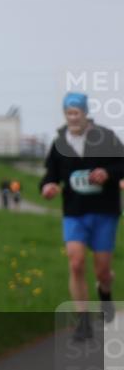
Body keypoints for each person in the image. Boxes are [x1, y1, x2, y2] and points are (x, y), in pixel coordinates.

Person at [40, 92, 124, 341]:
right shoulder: (59, 144)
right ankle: (83, 322)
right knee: (75, 263)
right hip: (74, 212)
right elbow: (50, 175)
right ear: (65, 115)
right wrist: (48, 187)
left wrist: (107, 173)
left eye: (77, 112)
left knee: (102, 271)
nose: (73, 117)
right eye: (69, 113)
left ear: (86, 113)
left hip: (104, 211)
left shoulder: (105, 137)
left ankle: (105, 295)